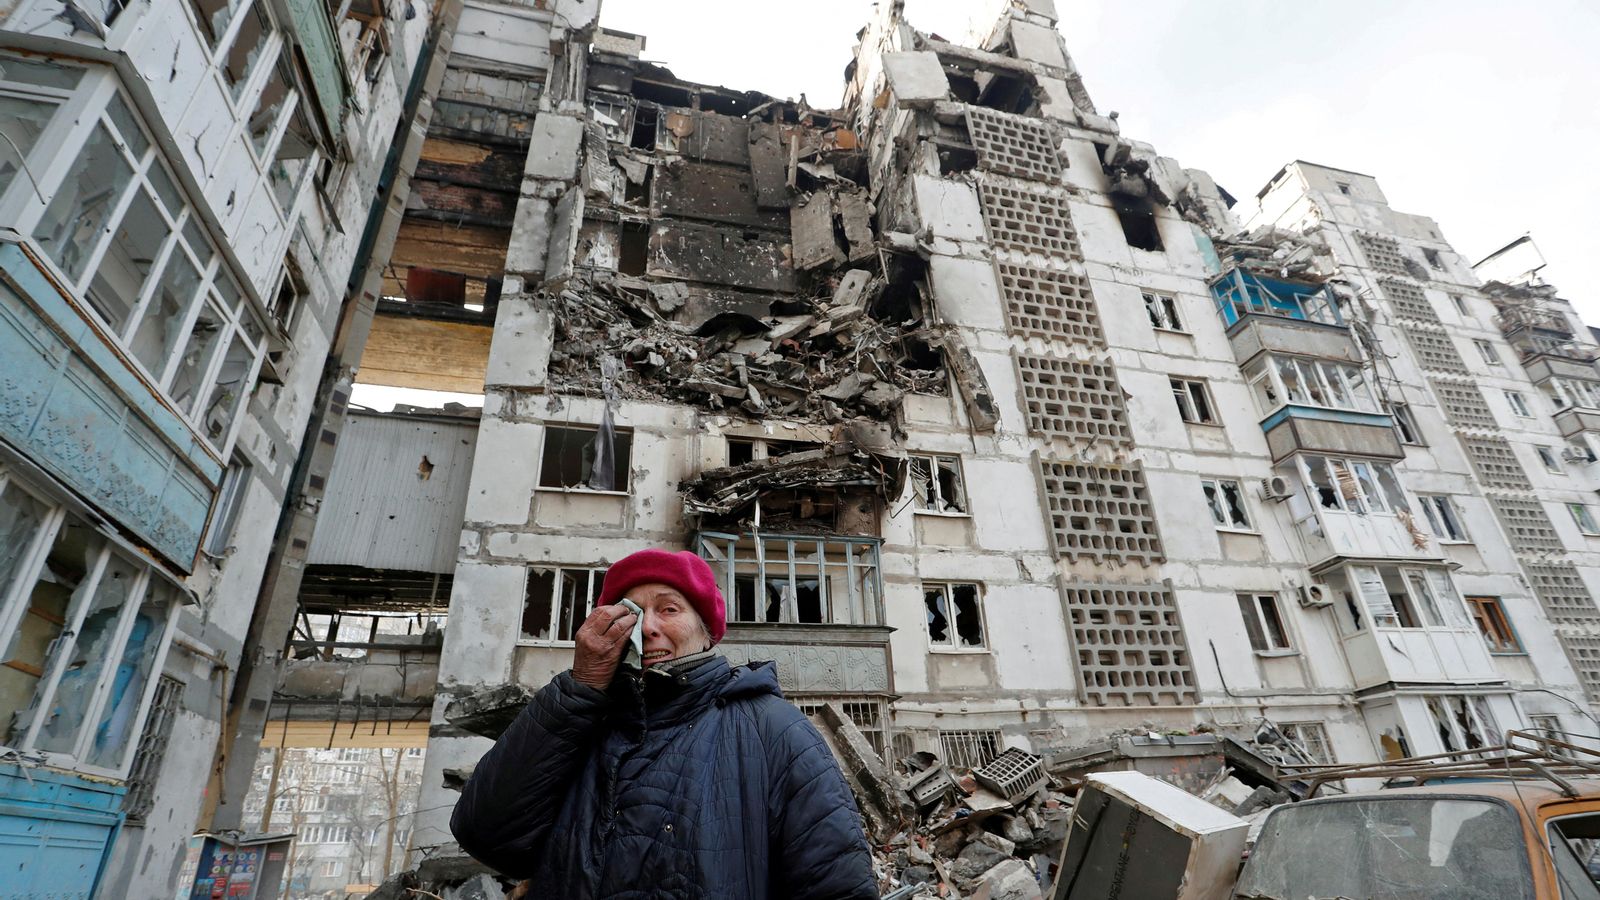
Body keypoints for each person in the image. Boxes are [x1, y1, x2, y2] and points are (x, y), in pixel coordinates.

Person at [451, 548, 878, 899]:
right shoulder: (583, 723)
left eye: (669, 609)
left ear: (706, 630)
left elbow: (837, 887)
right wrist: (580, 689)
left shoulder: (773, 730)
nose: (648, 627)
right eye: (631, 613)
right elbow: (485, 833)